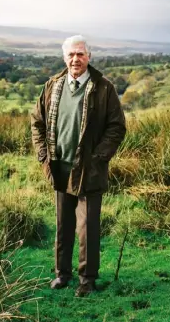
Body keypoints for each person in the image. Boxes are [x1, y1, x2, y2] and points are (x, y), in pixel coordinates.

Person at [31, 35, 126, 297]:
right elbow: (37, 123)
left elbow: (117, 127)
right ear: (65, 58)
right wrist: (43, 155)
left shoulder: (103, 88)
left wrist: (99, 157)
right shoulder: (53, 86)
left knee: (88, 227)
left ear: (89, 57)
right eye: (71, 55)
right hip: (59, 166)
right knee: (63, 225)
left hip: (90, 170)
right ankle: (62, 274)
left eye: (81, 54)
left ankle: (87, 280)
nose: (76, 59)